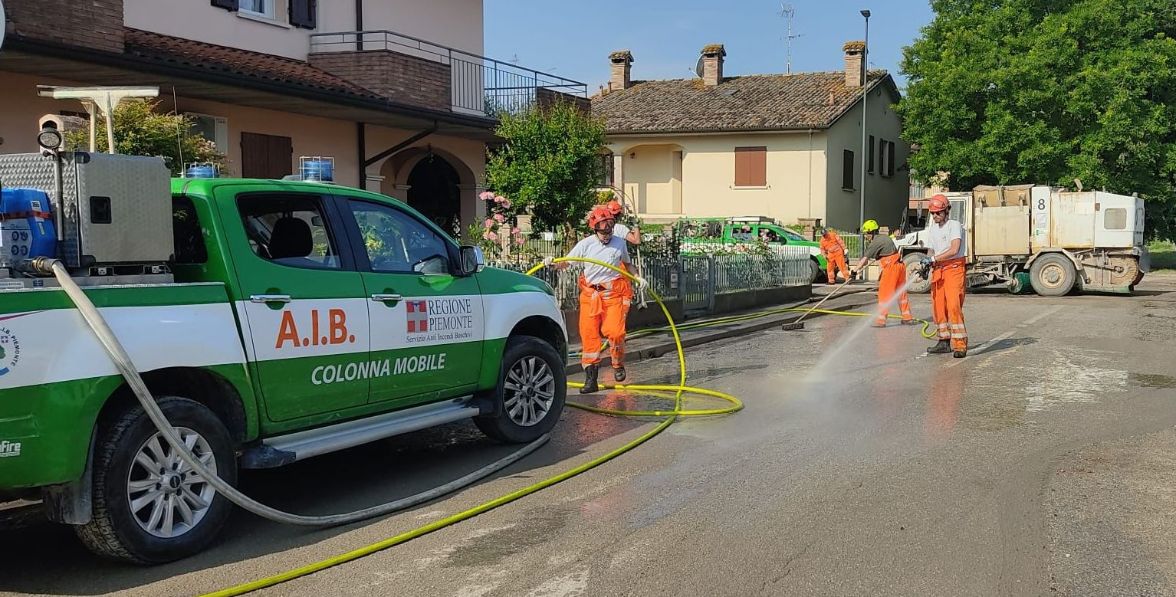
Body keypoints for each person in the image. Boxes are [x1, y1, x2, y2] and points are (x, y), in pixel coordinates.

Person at [547, 206, 643, 393]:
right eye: (602, 228)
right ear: (595, 228)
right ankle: (591, 380)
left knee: (615, 332)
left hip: (613, 296)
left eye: (609, 227)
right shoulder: (586, 244)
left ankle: (618, 364)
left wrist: (638, 277)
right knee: (590, 337)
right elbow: (567, 262)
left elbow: (628, 265)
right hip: (591, 297)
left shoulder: (619, 243)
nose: (607, 232)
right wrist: (552, 262)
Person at [921, 194, 968, 358]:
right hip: (938, 270)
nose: (935, 216)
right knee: (938, 306)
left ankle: (960, 345)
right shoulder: (933, 228)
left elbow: (954, 249)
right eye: (933, 213)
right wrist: (926, 262)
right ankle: (943, 341)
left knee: (954, 306)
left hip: (954, 268)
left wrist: (933, 259)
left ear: (947, 210)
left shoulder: (954, 225)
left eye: (938, 213)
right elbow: (931, 250)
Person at [851, 219, 915, 328]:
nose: (865, 236)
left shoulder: (875, 242)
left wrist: (854, 271)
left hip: (891, 268)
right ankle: (907, 318)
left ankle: (881, 320)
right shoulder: (885, 238)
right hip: (900, 266)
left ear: (871, 232)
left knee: (884, 294)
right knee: (901, 294)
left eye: (866, 234)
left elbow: (864, 259)